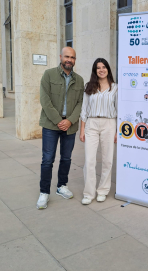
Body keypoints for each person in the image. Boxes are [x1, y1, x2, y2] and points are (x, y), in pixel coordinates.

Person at [37, 47, 85, 209]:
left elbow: (80, 103)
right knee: (48, 159)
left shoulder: (79, 80)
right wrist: (59, 120)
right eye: (67, 56)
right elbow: (45, 100)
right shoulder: (48, 75)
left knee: (66, 158)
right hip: (51, 124)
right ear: (60, 57)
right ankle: (44, 192)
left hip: (69, 126)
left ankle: (61, 186)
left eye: (72, 57)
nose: (69, 60)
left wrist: (70, 121)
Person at [79, 58, 118, 205]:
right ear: (95, 71)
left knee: (107, 160)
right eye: (98, 68)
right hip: (92, 123)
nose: (101, 70)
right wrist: (82, 129)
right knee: (89, 160)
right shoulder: (89, 87)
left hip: (109, 123)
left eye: (104, 67)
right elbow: (84, 108)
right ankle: (88, 193)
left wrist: (117, 131)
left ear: (108, 69)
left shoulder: (115, 88)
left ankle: (102, 190)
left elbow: (119, 110)